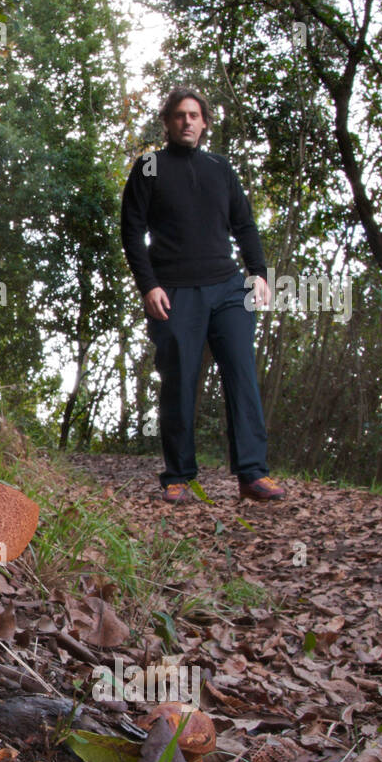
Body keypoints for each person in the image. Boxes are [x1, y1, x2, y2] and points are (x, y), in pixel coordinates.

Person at [121, 86, 286, 504]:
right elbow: (131, 231)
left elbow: (245, 225)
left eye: (194, 115)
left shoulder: (220, 168)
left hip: (229, 288)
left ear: (205, 122)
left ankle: (252, 474)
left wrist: (259, 274)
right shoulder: (150, 167)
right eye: (179, 115)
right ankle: (178, 475)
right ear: (167, 122)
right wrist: (149, 286)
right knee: (179, 379)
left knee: (242, 375)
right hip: (174, 292)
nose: (187, 121)